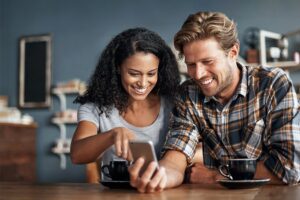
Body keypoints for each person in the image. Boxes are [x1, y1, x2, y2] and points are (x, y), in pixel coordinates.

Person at [128, 11, 300, 193]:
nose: (198, 74)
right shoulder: (188, 94)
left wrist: (216, 176)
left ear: (233, 52)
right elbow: (176, 155)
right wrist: (161, 175)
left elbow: (289, 168)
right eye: (191, 64)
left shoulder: (272, 84)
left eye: (207, 61)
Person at [70, 27, 180, 182]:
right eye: (134, 74)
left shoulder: (172, 104)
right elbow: (76, 155)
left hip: (163, 191)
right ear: (117, 68)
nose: (143, 83)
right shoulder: (96, 107)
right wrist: (111, 135)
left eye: (151, 74)